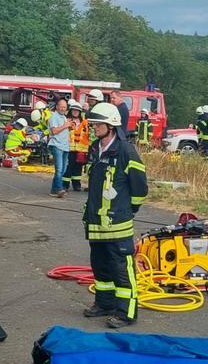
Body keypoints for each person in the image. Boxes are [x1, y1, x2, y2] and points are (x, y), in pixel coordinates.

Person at [82, 103, 147, 329]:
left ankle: (126, 312)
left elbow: (140, 188)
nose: (94, 127)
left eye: (98, 124)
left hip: (117, 224)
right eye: (93, 124)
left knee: (121, 268)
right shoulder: (95, 148)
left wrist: (129, 210)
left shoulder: (125, 151)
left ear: (111, 125)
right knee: (100, 266)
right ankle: (104, 303)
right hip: (96, 223)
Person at [47, 98, 72, 198]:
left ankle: (54, 190)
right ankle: (59, 189)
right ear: (57, 107)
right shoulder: (54, 117)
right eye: (61, 106)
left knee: (63, 169)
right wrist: (65, 125)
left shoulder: (64, 117)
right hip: (56, 145)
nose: (63, 108)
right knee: (59, 168)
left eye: (65, 107)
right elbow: (54, 131)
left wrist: (69, 125)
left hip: (65, 146)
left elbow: (64, 129)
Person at [65, 100, 90, 192]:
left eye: (77, 110)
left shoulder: (85, 123)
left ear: (80, 112)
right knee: (68, 167)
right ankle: (65, 185)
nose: (75, 112)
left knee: (78, 168)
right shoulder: (67, 121)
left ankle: (76, 185)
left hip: (81, 150)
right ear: (71, 111)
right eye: (73, 110)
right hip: (69, 149)